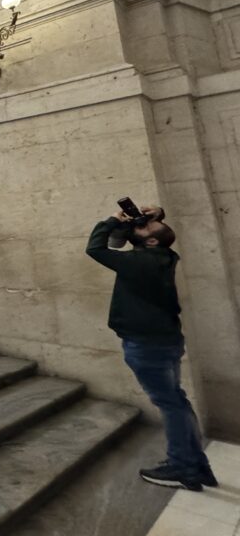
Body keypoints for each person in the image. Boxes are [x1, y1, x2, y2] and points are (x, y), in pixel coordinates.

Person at [85, 205, 216, 491]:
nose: (139, 226)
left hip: (146, 345)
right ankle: (196, 465)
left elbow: (95, 249)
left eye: (145, 227)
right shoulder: (165, 256)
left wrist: (111, 221)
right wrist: (156, 215)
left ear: (152, 241)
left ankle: (184, 468)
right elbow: (143, 238)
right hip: (166, 340)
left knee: (171, 405)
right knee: (177, 401)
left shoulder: (139, 262)